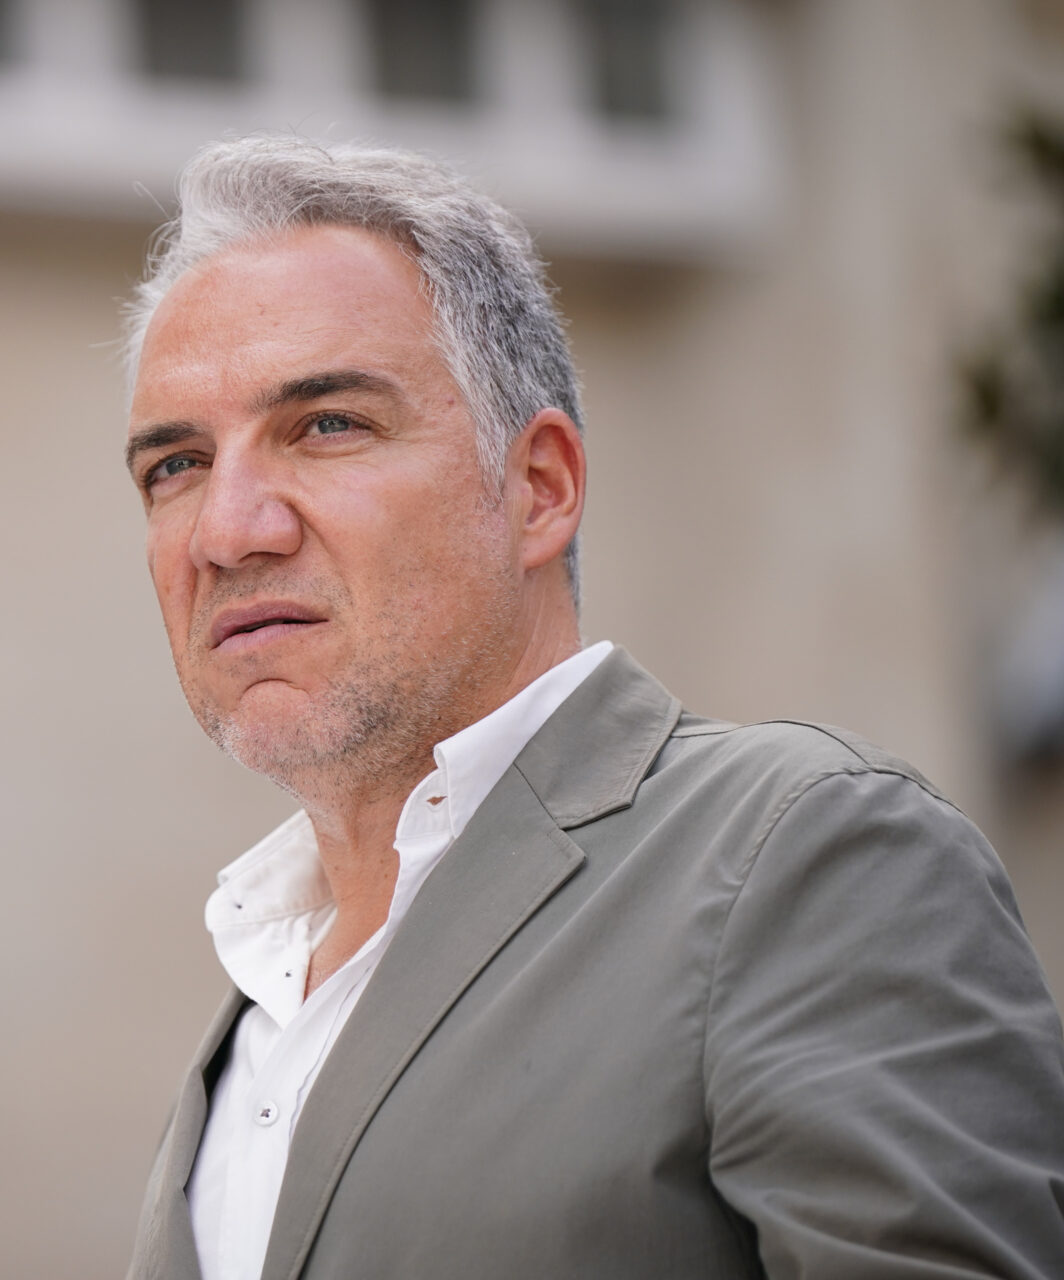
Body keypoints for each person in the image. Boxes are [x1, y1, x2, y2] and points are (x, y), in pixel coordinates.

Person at [119, 135, 1064, 1280]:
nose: (227, 531)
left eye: (327, 425)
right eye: (175, 465)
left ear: (539, 487)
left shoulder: (806, 856)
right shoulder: (254, 1012)